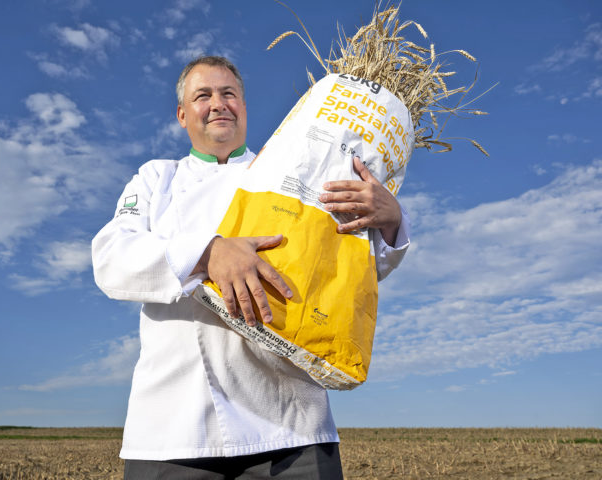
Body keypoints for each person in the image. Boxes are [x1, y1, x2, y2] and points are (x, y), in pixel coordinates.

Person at [91, 55, 410, 479]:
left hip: (291, 427)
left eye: (229, 93)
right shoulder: (156, 179)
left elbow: (345, 271)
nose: (219, 103)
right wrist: (208, 253)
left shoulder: (294, 170)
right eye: (203, 95)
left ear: (244, 106)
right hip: (173, 428)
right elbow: (112, 257)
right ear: (183, 115)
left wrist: (390, 222)